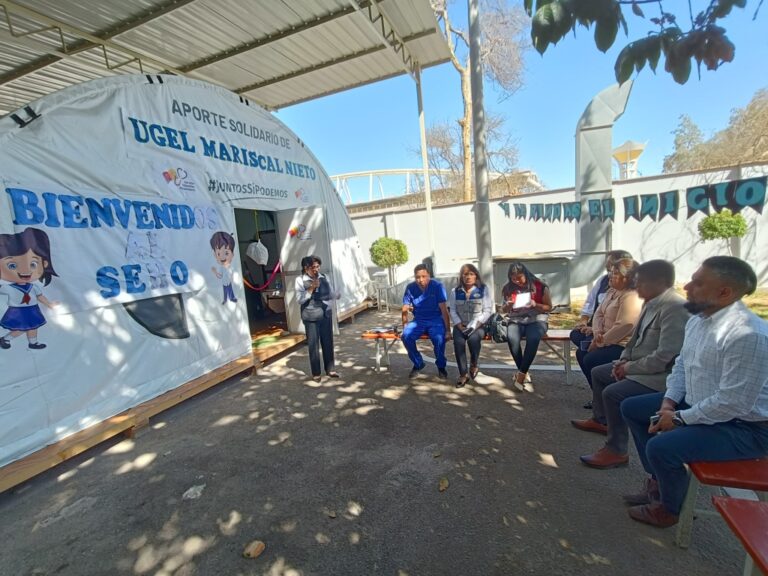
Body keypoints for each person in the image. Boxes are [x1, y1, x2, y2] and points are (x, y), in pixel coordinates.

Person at [621, 256, 768, 528]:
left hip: (745, 428)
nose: (687, 286)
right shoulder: (699, 320)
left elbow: (733, 402)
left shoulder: (748, 335)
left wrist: (678, 418)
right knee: (632, 408)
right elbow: (682, 367)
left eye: (698, 283)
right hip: (704, 402)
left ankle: (669, 508)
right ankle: (660, 481)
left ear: (725, 292)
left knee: (661, 447)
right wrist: (668, 403)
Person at [571, 260, 690, 469]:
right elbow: (634, 340)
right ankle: (601, 420)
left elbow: (666, 356)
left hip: (660, 376)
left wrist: (628, 368)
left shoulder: (674, 307)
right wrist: (623, 360)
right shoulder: (651, 302)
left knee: (614, 393)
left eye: (639, 282)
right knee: (600, 372)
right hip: (638, 365)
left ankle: (616, 450)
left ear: (659, 282)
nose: (635, 286)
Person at [570, 250, 632, 409]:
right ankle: (598, 397)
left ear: (626, 276)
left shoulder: (631, 296)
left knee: (590, 358)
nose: (609, 274)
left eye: (613, 271)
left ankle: (605, 400)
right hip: (602, 335)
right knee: (580, 345)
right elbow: (597, 312)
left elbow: (624, 325)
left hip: (621, 343)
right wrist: (595, 332)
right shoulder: (611, 289)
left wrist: (600, 341)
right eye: (609, 270)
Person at [0, 227, 59, 350]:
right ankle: (5, 339)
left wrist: (49, 304)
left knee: (33, 326)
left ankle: (33, 343)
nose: (24, 270)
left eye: (33, 264)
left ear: (44, 264)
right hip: (17, 310)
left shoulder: (33, 286)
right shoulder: (7, 287)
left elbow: (39, 296)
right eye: (12, 265)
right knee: (20, 329)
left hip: (32, 309)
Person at [500, 261, 553, 391]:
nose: (517, 281)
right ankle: (522, 372)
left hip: (537, 319)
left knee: (533, 338)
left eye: (519, 278)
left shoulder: (540, 286)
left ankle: (521, 374)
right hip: (516, 319)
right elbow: (503, 310)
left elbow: (549, 307)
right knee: (512, 338)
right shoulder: (508, 288)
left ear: (526, 274)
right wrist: (508, 305)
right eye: (513, 279)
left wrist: (536, 304)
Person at [447, 263, 494, 388]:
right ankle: (463, 374)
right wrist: (458, 324)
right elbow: (452, 310)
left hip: (478, 325)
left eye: (471, 274)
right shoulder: (455, 291)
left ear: (476, 276)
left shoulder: (483, 289)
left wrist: (477, 325)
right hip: (460, 324)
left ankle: (474, 364)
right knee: (458, 343)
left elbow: (487, 310)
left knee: (473, 340)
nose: (468, 277)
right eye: (465, 274)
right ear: (461, 277)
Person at [401, 264, 451, 380]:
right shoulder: (410, 288)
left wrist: (448, 330)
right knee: (406, 336)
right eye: (418, 277)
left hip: (436, 320)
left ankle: (441, 366)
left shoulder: (437, 286)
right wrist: (405, 325)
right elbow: (405, 308)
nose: (421, 280)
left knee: (439, 339)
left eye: (424, 276)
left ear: (429, 275)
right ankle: (418, 363)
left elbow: (444, 310)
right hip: (419, 320)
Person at [295, 255, 340, 382]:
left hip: (325, 314)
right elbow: (299, 299)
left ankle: (330, 369)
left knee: (328, 342)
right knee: (313, 345)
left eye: (318, 266)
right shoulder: (300, 280)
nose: (316, 269)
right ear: (306, 268)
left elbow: (330, 293)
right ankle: (316, 372)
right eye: (313, 267)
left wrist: (336, 295)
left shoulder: (324, 277)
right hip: (311, 316)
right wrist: (311, 288)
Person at [210, 231, 238, 305]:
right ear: (215, 255)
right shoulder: (221, 267)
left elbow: (232, 274)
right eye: (218, 254)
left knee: (230, 290)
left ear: (232, 254)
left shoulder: (231, 266)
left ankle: (231, 298)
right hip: (225, 282)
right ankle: (225, 299)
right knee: (225, 292)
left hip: (228, 282)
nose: (222, 257)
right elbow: (220, 276)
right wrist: (215, 272)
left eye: (226, 253)